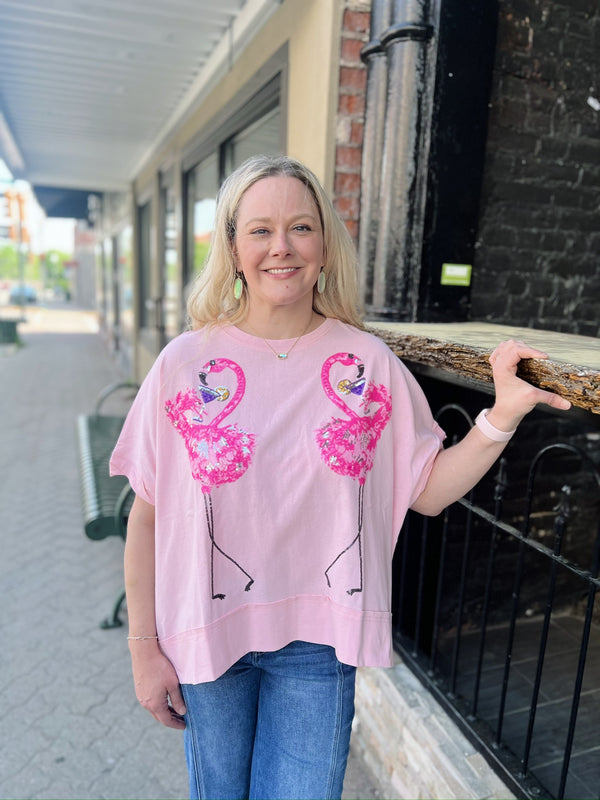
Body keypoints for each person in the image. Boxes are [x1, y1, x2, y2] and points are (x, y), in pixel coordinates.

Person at [110, 154, 571, 800]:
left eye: (301, 228)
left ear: (324, 245)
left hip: (316, 649)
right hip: (208, 639)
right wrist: (142, 647)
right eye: (260, 230)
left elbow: (430, 490)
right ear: (234, 247)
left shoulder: (366, 364)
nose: (282, 247)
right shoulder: (185, 366)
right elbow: (147, 515)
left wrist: (502, 415)